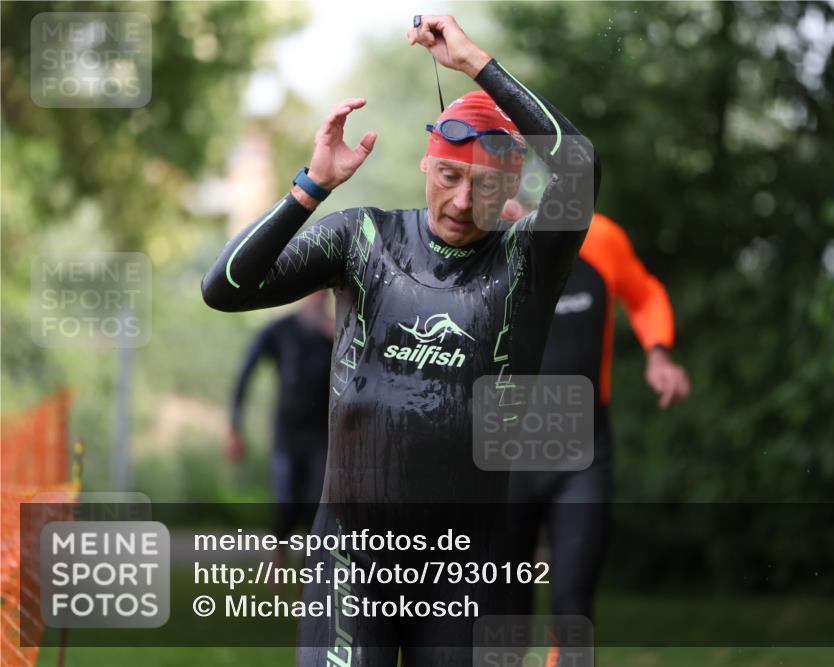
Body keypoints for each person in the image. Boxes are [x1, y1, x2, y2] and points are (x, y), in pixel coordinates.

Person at [200, 15, 599, 667]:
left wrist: (475, 63)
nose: (463, 201)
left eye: (485, 185)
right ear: (427, 160)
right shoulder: (365, 239)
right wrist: (311, 188)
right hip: (350, 561)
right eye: (449, 176)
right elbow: (225, 286)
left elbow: (580, 164)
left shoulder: (527, 262)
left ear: (512, 191)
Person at [502, 202, 690, 633]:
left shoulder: (600, 238)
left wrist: (658, 352)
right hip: (503, 456)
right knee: (504, 610)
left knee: (574, 601)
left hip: (581, 453)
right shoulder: (490, 242)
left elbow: (644, 294)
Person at [227, 290, 334, 551]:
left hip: (322, 435)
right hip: (286, 433)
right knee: (285, 504)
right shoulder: (280, 331)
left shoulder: (336, 335)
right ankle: (278, 560)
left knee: (315, 505)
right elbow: (245, 373)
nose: (318, 297)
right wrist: (234, 427)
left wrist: (344, 337)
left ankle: (307, 581)